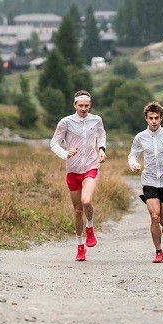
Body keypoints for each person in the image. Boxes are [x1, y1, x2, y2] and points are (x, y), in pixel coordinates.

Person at [50, 90, 107, 262]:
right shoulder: (66, 122)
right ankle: (80, 246)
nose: (83, 108)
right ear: (74, 105)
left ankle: (89, 227)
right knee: (77, 210)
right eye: (80, 105)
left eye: (86, 105)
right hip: (73, 170)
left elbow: (101, 134)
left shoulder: (96, 120)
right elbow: (53, 143)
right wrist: (65, 153)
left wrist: (102, 149)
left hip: (91, 166)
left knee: (87, 201)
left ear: (90, 105)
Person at [127, 101, 163, 264]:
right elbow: (132, 154)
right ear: (146, 118)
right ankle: (158, 251)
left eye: (156, 118)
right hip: (150, 181)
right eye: (151, 118)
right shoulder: (140, 137)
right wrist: (134, 164)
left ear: (161, 118)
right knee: (154, 216)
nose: (154, 121)